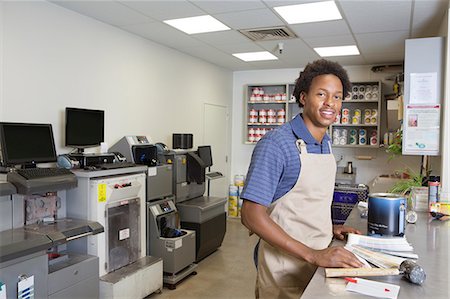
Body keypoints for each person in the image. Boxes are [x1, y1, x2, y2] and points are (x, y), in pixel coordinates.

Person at [240, 59, 364, 299]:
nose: (331, 103)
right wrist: (312, 254)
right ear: (304, 97)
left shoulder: (325, 142)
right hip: (284, 268)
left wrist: (329, 229)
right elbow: (250, 215)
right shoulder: (277, 144)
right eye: (321, 94)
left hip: (319, 259)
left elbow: (307, 204)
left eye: (337, 97)